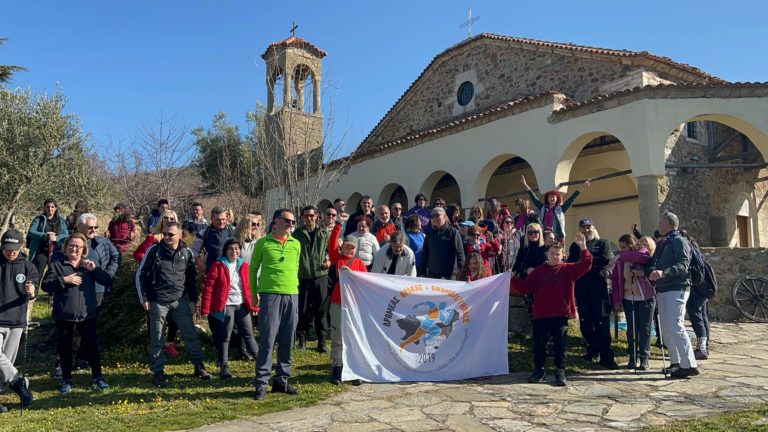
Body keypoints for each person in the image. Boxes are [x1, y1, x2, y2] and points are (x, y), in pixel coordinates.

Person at [136, 222, 212, 388]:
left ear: (180, 235)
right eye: (164, 234)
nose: (167, 237)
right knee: (156, 337)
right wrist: (144, 298)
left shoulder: (187, 253)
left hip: (180, 300)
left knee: (190, 334)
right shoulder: (154, 251)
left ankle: (199, 366)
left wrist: (193, 301)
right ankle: (158, 371)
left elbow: (191, 280)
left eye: (171, 234)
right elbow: (141, 274)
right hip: (158, 301)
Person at [511, 234, 592, 387]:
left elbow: (586, 264)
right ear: (547, 254)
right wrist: (513, 278)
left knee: (560, 344)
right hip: (541, 313)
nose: (555, 256)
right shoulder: (539, 271)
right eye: (552, 253)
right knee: (539, 344)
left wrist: (583, 248)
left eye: (558, 254)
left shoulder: (569, 269)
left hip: (560, 314)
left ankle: (560, 370)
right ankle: (539, 370)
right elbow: (526, 288)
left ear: (563, 255)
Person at [42, 233, 112, 395]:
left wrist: (95, 270)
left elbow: (107, 281)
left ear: (84, 249)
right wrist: (64, 280)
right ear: (65, 247)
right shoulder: (57, 265)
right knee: (65, 347)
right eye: (71, 245)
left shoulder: (89, 264)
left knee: (92, 345)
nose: (74, 249)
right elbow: (45, 286)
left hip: (87, 314)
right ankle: (67, 379)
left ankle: (98, 377)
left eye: (78, 246)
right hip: (64, 314)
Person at [250, 209, 302, 401]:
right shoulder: (263, 243)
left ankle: (282, 380)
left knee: (288, 339)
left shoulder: (296, 244)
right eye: (287, 221)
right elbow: (253, 269)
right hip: (269, 295)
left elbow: (295, 268)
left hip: (291, 294)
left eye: (293, 222)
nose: (290, 224)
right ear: (276, 222)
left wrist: (294, 290)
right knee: (268, 339)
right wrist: (254, 294)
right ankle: (261, 383)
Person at [646, 212, 699, 378]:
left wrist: (664, 272)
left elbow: (684, 264)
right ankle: (676, 362)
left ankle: (689, 364)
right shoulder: (664, 242)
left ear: (669, 224)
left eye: (661, 223)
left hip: (678, 287)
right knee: (667, 328)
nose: (659, 226)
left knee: (676, 325)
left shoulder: (678, 241)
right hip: (663, 288)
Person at [201, 238, 259, 379]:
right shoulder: (218, 266)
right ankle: (224, 365)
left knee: (249, 333)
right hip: (226, 305)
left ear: (240, 250)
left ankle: (262, 361)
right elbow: (208, 287)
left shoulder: (244, 266)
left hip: (242, 304)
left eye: (236, 249)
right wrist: (205, 309)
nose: (234, 252)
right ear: (226, 251)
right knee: (225, 336)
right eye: (230, 249)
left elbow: (250, 286)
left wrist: (255, 303)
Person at [567, 218, 617, 369]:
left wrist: (585, 262)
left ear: (594, 227)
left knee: (602, 323)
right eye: (583, 227)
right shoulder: (574, 246)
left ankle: (607, 357)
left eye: (589, 227)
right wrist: (586, 261)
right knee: (585, 324)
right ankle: (593, 349)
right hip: (582, 290)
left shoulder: (603, 243)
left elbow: (605, 259)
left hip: (599, 290)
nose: (586, 230)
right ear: (579, 230)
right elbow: (572, 263)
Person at [74, 213, 120, 370]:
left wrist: (108, 274)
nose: (94, 230)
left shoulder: (102, 242)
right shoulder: (70, 243)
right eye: (90, 228)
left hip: (97, 289)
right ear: (79, 227)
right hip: (76, 289)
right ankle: (67, 358)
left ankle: (82, 357)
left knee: (90, 324)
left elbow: (116, 256)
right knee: (77, 326)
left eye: (96, 227)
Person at [327, 216, 367, 385]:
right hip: (338, 302)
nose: (350, 250)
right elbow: (331, 244)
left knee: (353, 336)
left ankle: (354, 369)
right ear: (342, 247)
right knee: (337, 336)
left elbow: (366, 284)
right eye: (347, 247)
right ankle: (338, 367)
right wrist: (338, 226)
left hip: (354, 304)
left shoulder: (359, 263)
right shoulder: (337, 260)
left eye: (352, 248)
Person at [0, 229, 37, 411]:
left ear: (21, 246)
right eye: (7, 248)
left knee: (4, 363)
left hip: (16, 321)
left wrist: (31, 292)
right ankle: (18, 382)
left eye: (14, 249)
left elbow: (33, 291)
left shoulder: (29, 267)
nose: (11, 252)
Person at [610, 234, 655, 370]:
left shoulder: (642, 252)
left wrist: (620, 256)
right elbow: (616, 281)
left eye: (624, 247)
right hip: (629, 298)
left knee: (645, 328)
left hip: (645, 297)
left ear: (631, 245)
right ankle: (632, 357)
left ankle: (644, 358)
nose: (622, 250)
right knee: (632, 329)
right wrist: (617, 299)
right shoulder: (621, 261)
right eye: (620, 248)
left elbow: (643, 258)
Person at [293, 205, 331, 352]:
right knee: (303, 309)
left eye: (311, 215)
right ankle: (302, 339)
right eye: (306, 216)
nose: (309, 218)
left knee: (321, 310)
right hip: (303, 276)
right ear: (302, 217)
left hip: (320, 275)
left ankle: (321, 341)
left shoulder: (323, 233)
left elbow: (330, 251)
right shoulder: (296, 234)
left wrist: (328, 261)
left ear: (316, 216)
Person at [521, 175, 590, 242]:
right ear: (547, 199)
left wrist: (582, 187)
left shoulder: (561, 208)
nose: (551, 198)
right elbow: (534, 198)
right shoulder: (543, 208)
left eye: (553, 197)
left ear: (557, 199)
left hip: (558, 236)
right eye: (550, 197)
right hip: (544, 235)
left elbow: (572, 198)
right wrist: (525, 184)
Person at [681, 232, 711, 361]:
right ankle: (705, 347)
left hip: (695, 288)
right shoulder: (696, 250)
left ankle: (702, 348)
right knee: (703, 317)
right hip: (703, 288)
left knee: (696, 316)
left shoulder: (689, 251)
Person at [27, 198, 69, 289]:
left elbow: (66, 234)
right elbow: (31, 232)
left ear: (56, 208)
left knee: (55, 275)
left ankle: (53, 298)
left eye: (52, 207)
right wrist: (44, 236)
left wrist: (57, 238)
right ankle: (32, 295)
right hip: (41, 251)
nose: (50, 209)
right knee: (37, 275)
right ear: (44, 208)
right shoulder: (39, 219)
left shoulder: (61, 220)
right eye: (48, 207)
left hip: (56, 252)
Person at [419, 207, 465, 279]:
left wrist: (463, 273)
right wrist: (422, 273)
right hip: (432, 275)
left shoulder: (453, 232)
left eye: (437, 215)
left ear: (444, 216)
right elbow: (425, 254)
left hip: (449, 275)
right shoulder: (429, 234)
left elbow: (460, 254)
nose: (434, 218)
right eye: (432, 216)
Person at [193, 207, 235, 274]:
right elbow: (195, 250)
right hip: (211, 271)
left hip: (230, 271)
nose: (221, 222)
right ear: (212, 219)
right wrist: (200, 263)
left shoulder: (233, 231)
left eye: (223, 219)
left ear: (226, 218)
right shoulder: (204, 233)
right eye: (218, 220)